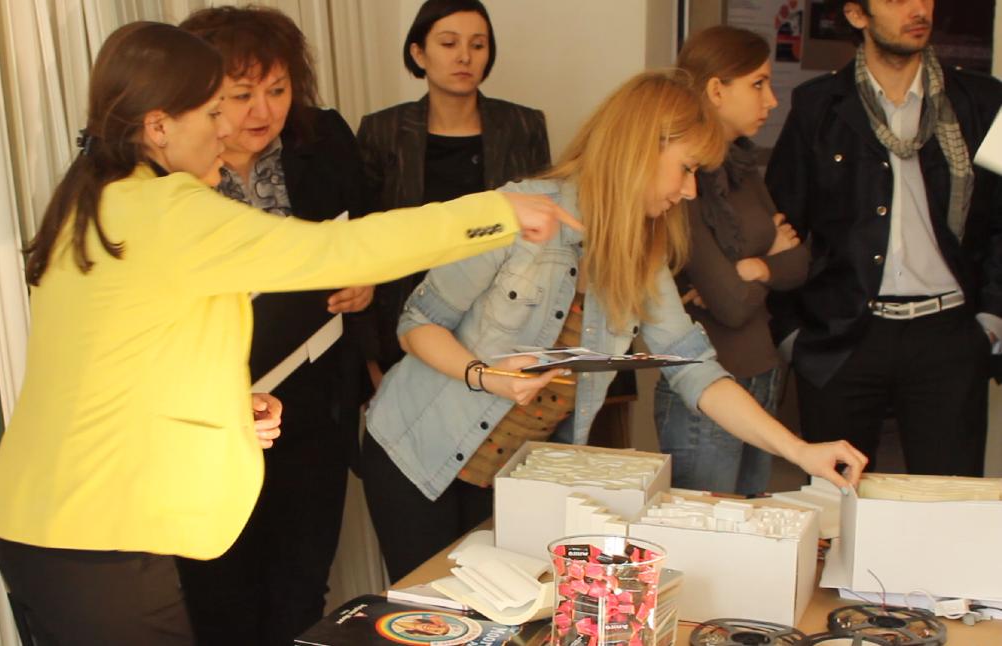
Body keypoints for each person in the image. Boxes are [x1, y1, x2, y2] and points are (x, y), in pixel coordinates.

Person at [0, 21, 576, 646]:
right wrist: (495, 211)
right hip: (94, 534)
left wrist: (223, 406)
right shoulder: (165, 208)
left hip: (48, 523)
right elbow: (338, 250)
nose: (227, 127)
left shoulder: (100, 199)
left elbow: (115, 358)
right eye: (213, 112)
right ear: (158, 127)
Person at [362, 71, 869, 583]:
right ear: (641, 150)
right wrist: (486, 375)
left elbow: (695, 369)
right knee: (432, 612)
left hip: (513, 478)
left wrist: (800, 451)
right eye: (686, 168)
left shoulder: (641, 256)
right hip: (417, 454)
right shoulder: (522, 210)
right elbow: (417, 323)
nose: (690, 190)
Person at [176, 7, 368, 644]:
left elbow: (369, 232)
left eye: (278, 90)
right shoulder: (169, 174)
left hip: (315, 400)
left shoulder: (324, 139)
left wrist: (366, 282)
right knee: (221, 591)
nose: (264, 111)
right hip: (217, 412)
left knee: (302, 584)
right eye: (242, 95)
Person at [766, 0, 1002, 476]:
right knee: (839, 498)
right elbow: (780, 226)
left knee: (948, 500)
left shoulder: (983, 100)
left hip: (948, 334)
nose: (918, 9)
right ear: (857, 15)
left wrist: (991, 319)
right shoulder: (818, 105)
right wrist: (793, 337)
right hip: (843, 334)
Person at [356, 0, 551, 388]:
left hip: (497, 323)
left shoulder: (522, 125)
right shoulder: (383, 131)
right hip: (404, 321)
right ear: (418, 53)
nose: (465, 56)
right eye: (448, 43)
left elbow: (540, 231)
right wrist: (370, 355)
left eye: (478, 45)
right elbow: (364, 241)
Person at [654, 26, 810, 496]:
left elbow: (800, 262)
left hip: (761, 371)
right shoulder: (682, 180)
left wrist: (753, 268)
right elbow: (731, 304)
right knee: (708, 525)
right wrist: (769, 258)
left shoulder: (741, 167)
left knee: (749, 522)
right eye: (758, 84)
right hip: (708, 383)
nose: (772, 101)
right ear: (717, 90)